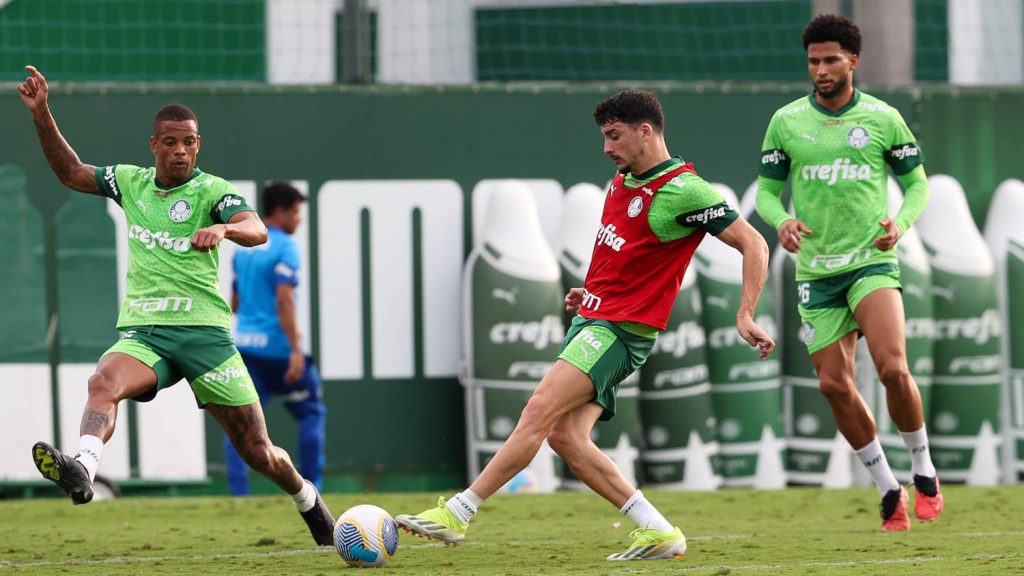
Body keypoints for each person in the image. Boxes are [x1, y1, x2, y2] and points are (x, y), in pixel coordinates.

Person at [396, 89, 775, 561]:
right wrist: (588, 293)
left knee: (537, 412)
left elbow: (755, 245)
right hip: (596, 319)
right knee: (566, 437)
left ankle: (459, 511)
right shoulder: (622, 179)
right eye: (603, 137)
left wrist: (744, 314)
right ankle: (658, 531)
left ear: (646, 131)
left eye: (614, 136)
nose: (606, 148)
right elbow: (623, 254)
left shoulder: (684, 190)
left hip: (619, 332)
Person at [18, 65, 336, 546]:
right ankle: (82, 468)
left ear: (198, 144)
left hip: (206, 337)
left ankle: (307, 500)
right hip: (147, 334)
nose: (180, 150)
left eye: (188, 141)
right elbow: (70, 172)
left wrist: (225, 228)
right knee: (103, 381)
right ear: (154, 145)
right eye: (170, 142)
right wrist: (42, 114)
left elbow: (257, 229)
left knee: (258, 452)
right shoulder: (132, 183)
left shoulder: (212, 192)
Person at [754, 14, 944, 532]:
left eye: (831, 59)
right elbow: (768, 192)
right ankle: (888, 487)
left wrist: (900, 224)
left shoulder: (883, 118)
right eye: (813, 61)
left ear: (853, 61)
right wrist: (781, 221)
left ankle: (924, 469)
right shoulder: (787, 121)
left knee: (891, 368)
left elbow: (919, 183)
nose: (820, 69)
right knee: (834, 385)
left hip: (870, 261)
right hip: (816, 272)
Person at [224, 182, 326, 496]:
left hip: (246, 347)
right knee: (311, 413)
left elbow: (236, 303)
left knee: (241, 423)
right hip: (279, 350)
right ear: (279, 211)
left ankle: (239, 494)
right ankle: (311, 490)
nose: (298, 219)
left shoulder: (244, 250)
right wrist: (296, 348)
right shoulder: (285, 247)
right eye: (295, 212)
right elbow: (284, 300)